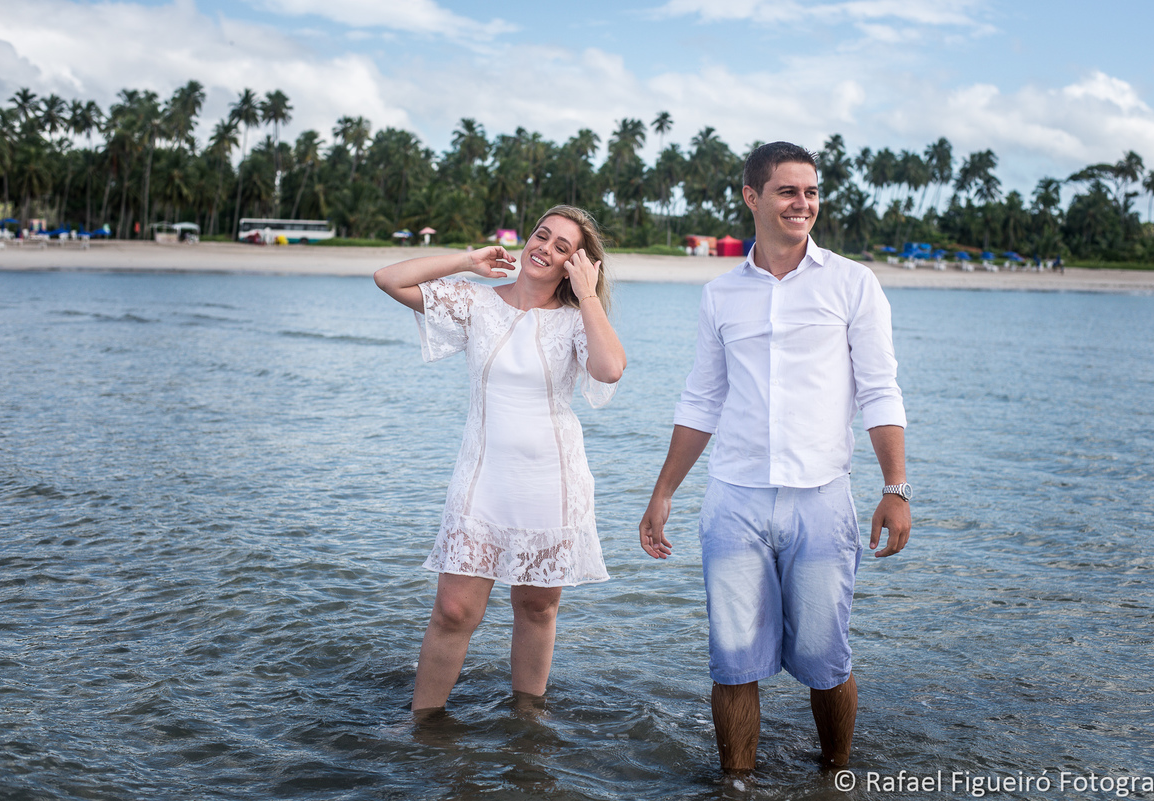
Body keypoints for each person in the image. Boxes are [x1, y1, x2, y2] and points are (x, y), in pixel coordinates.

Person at [638, 142, 911, 772]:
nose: (803, 203)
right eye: (789, 191)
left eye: (811, 191)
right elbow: (702, 399)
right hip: (733, 499)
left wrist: (896, 488)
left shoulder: (852, 282)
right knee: (733, 661)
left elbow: (879, 388)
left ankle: (836, 775)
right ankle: (736, 784)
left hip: (822, 498)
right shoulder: (720, 295)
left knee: (826, 659)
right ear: (752, 197)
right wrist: (663, 493)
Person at [374, 205, 626, 713]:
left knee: (536, 607)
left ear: (576, 265)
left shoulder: (579, 321)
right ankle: (423, 724)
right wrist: (466, 260)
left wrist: (587, 295)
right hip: (482, 479)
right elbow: (388, 278)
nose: (545, 249)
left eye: (563, 248)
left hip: (550, 483)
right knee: (452, 609)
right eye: (542, 235)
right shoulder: (476, 305)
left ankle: (527, 726)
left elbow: (610, 368)